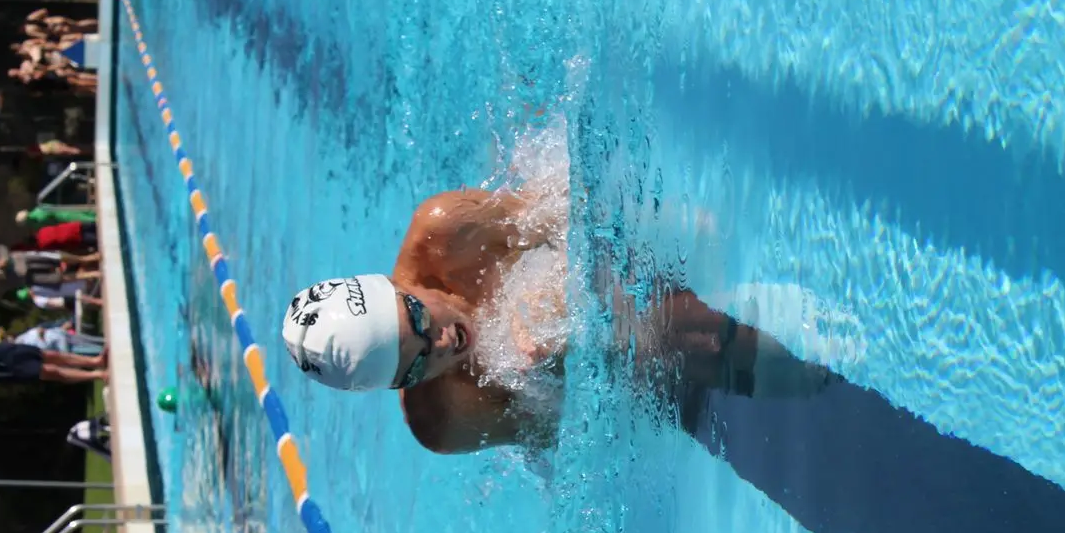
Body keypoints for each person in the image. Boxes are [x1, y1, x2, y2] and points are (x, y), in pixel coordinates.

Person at [281, 170, 842, 455]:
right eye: (414, 366)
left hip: (580, 256)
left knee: (692, 246)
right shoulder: (444, 420)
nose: (443, 343)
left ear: (399, 286)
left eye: (418, 323)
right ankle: (821, 382)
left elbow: (575, 206)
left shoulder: (446, 229)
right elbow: (575, 435)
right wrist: (555, 365)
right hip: (598, 361)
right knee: (656, 346)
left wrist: (552, 297)